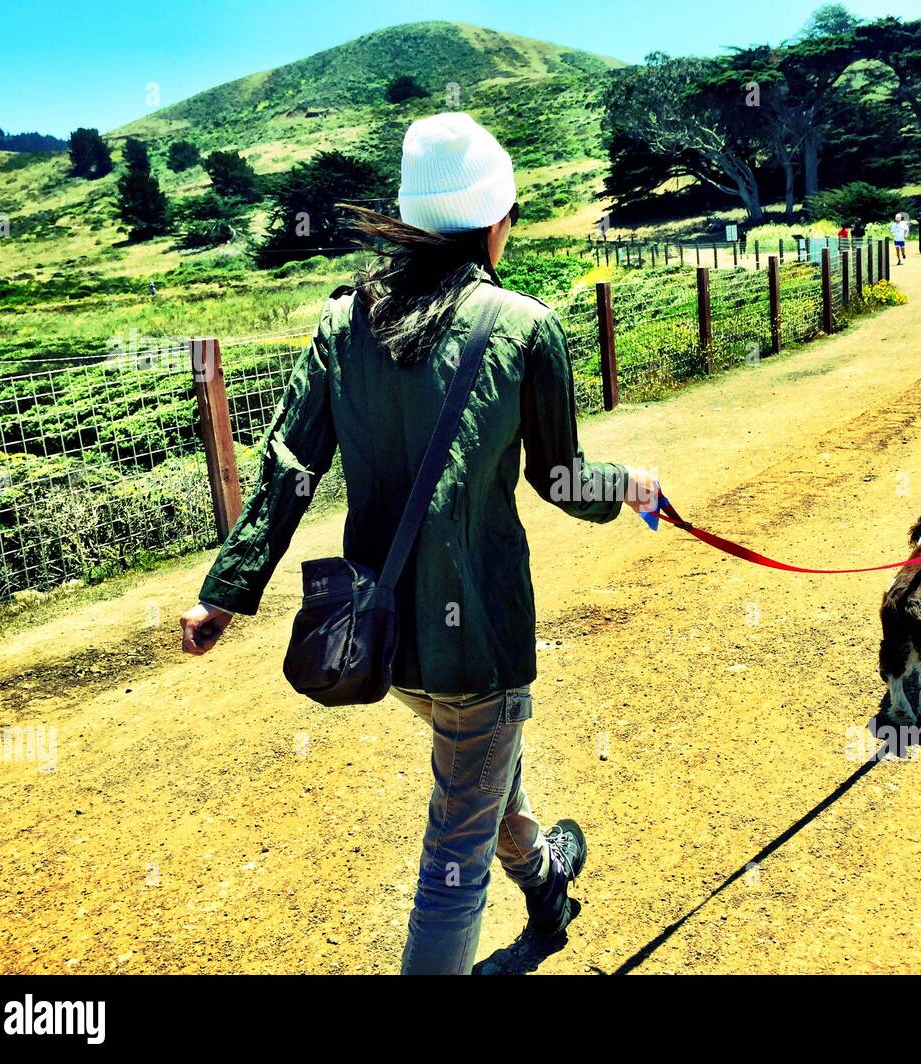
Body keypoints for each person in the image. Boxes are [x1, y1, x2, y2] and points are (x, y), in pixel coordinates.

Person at [179, 112, 660, 975]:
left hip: (381, 640)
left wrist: (225, 591)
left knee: (477, 774)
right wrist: (625, 486)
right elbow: (561, 480)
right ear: (493, 220)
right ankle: (522, 884)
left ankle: (546, 878)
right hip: (478, 641)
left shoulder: (340, 323)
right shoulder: (523, 326)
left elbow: (292, 465)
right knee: (451, 865)